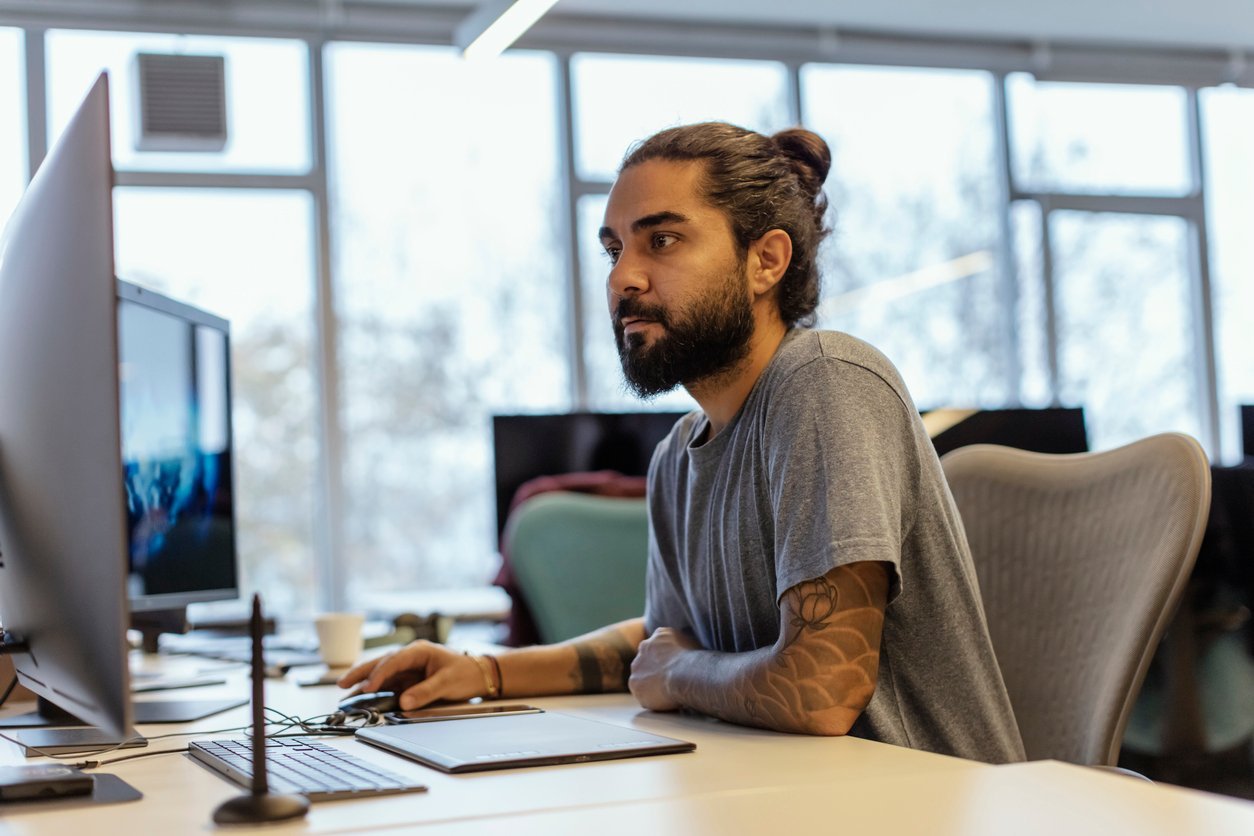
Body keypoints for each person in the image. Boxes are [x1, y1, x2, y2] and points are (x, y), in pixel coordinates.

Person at [340, 122, 1026, 764]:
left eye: (660, 240)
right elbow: (660, 648)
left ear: (766, 260)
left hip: (921, 805)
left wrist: (679, 672)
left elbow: (819, 690)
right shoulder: (679, 455)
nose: (622, 278)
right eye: (614, 248)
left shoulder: (824, 382)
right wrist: (484, 671)